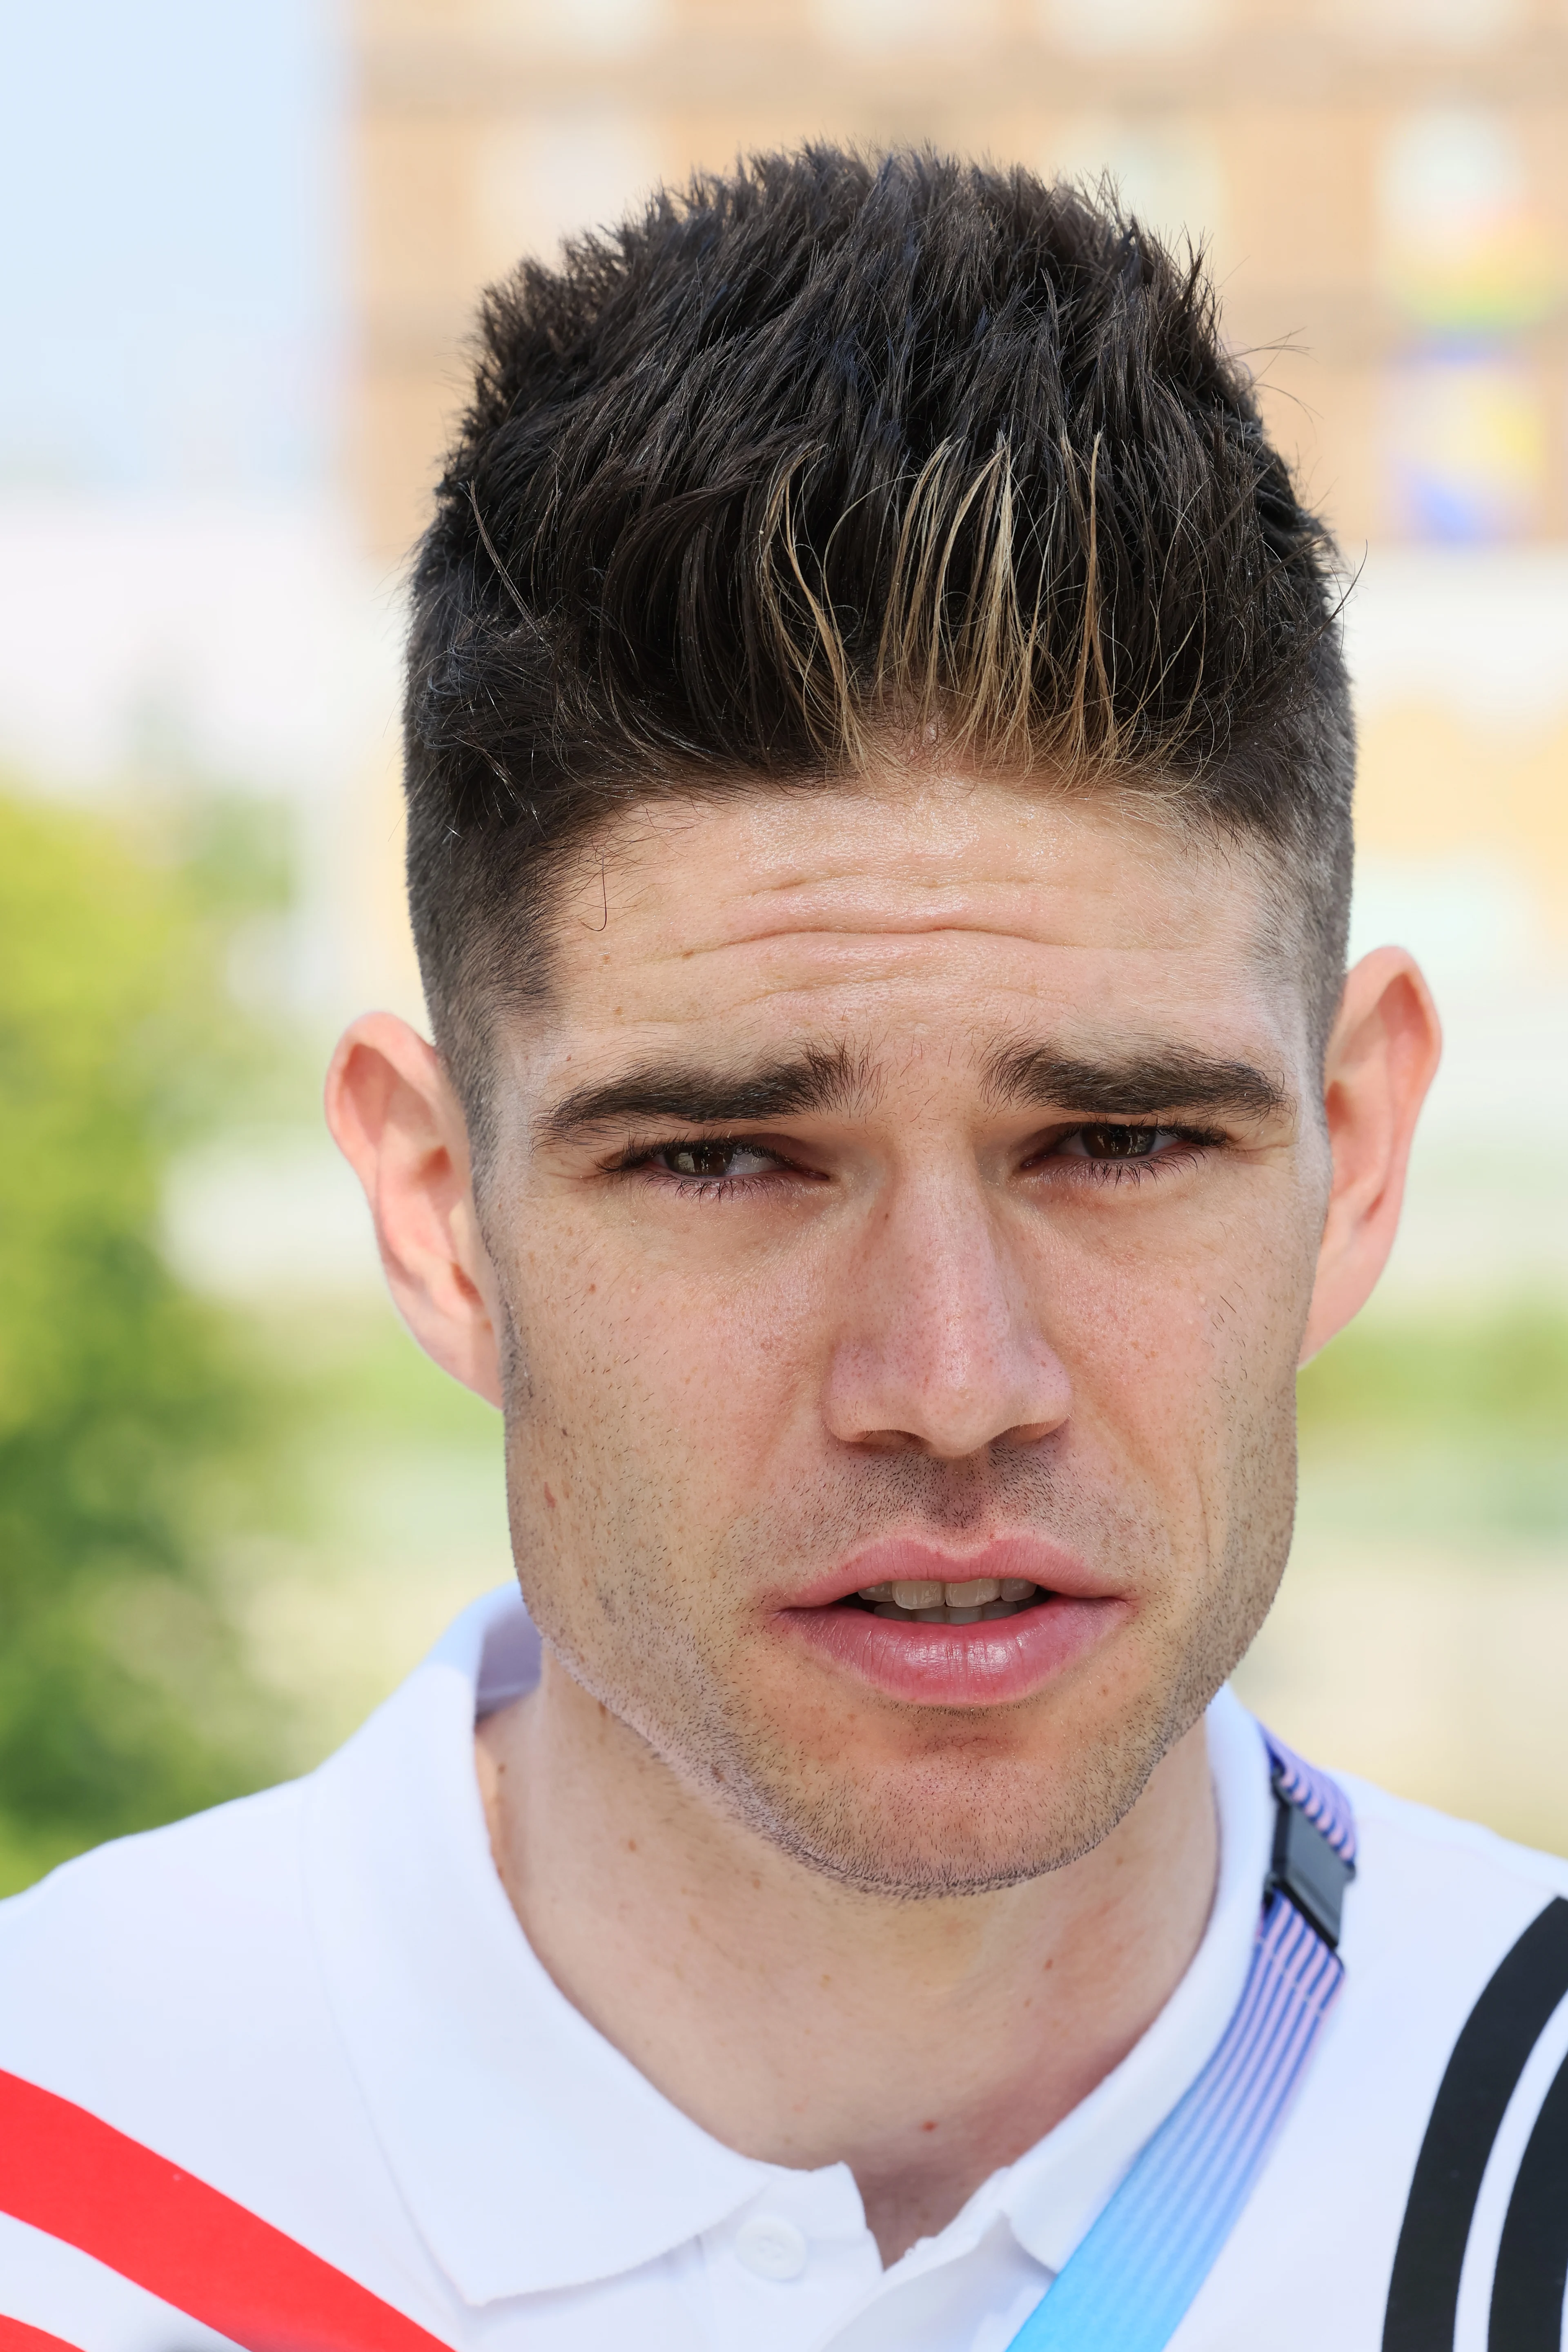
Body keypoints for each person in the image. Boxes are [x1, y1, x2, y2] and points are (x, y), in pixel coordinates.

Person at [1, 148, 1564, 2352]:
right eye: (730, 1161)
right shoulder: (55, 2181)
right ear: (441, 1215)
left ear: (1356, 1149)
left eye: (1115, 1139)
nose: (949, 1383)